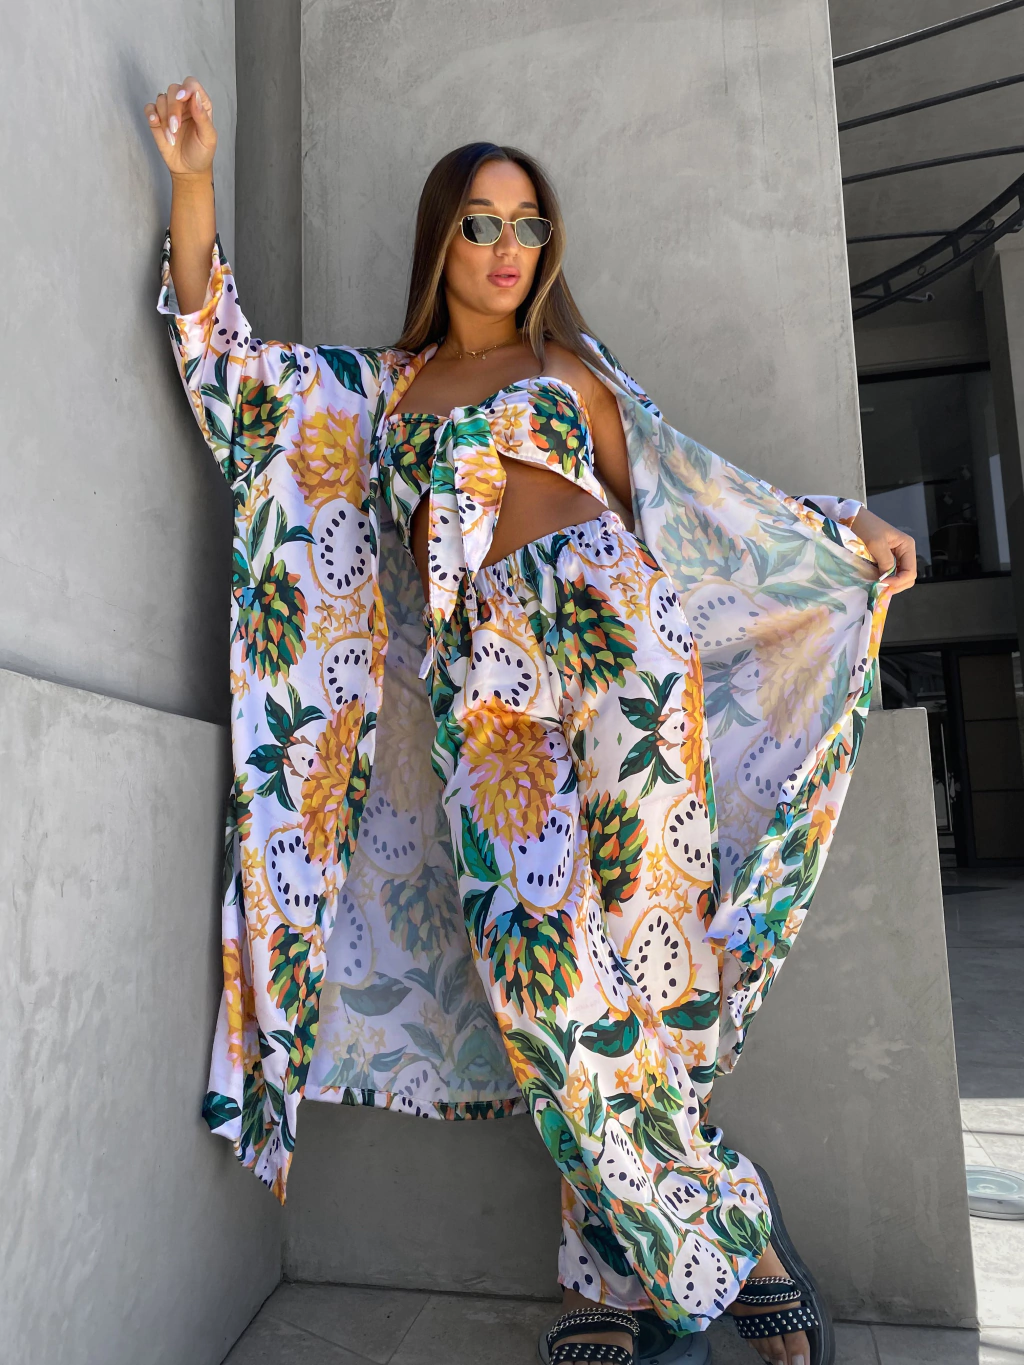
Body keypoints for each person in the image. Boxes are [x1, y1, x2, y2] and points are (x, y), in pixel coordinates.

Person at [145, 77, 915, 1365]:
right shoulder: (379, 395)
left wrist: (841, 529)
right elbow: (232, 375)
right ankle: (738, 1238)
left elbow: (693, 499)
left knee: (654, 970)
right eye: (481, 224)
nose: (508, 248)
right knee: (545, 983)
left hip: (617, 630)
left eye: (528, 226)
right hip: (485, 681)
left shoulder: (572, 369)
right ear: (439, 238)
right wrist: (192, 181)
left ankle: (604, 1285)